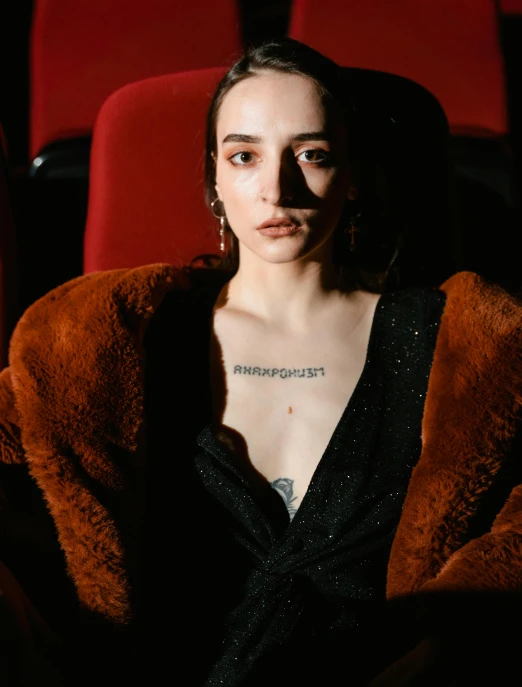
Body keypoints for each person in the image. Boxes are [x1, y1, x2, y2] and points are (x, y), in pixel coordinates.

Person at [0, 37, 520, 687]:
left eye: (311, 153)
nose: (278, 187)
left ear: (353, 174)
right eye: (244, 155)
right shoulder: (119, 338)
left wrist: (453, 645)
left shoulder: (461, 341)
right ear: (215, 179)